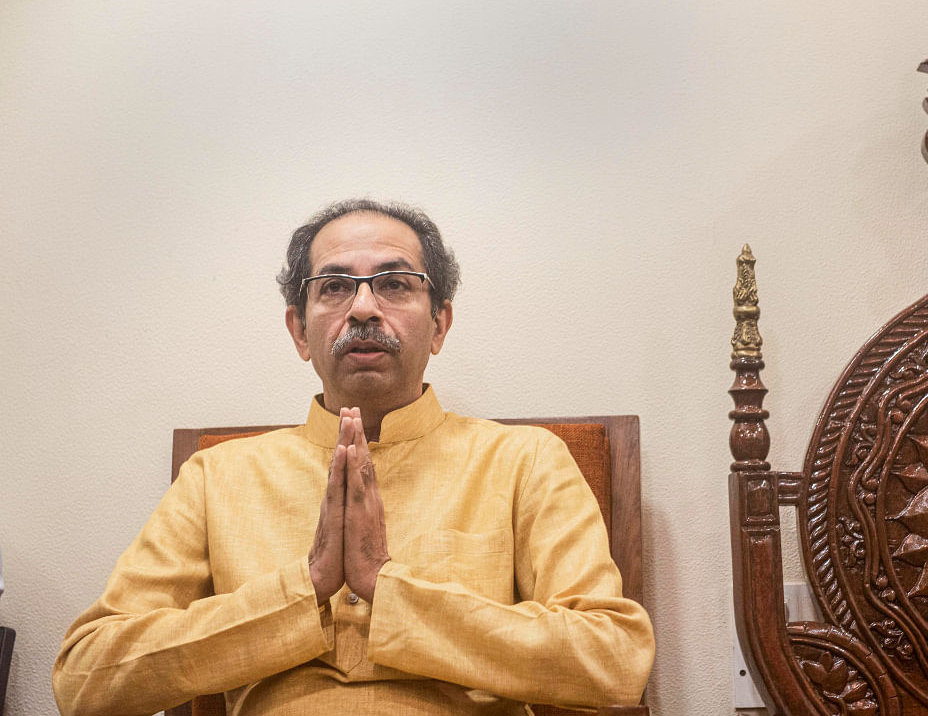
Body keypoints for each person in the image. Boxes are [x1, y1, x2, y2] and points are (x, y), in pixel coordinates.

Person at [53, 200, 654, 716]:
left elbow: (614, 659)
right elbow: (85, 677)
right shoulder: (219, 475)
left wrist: (389, 593)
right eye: (335, 286)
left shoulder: (525, 460)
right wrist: (304, 590)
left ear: (439, 324)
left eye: (394, 283)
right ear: (298, 330)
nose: (364, 308)